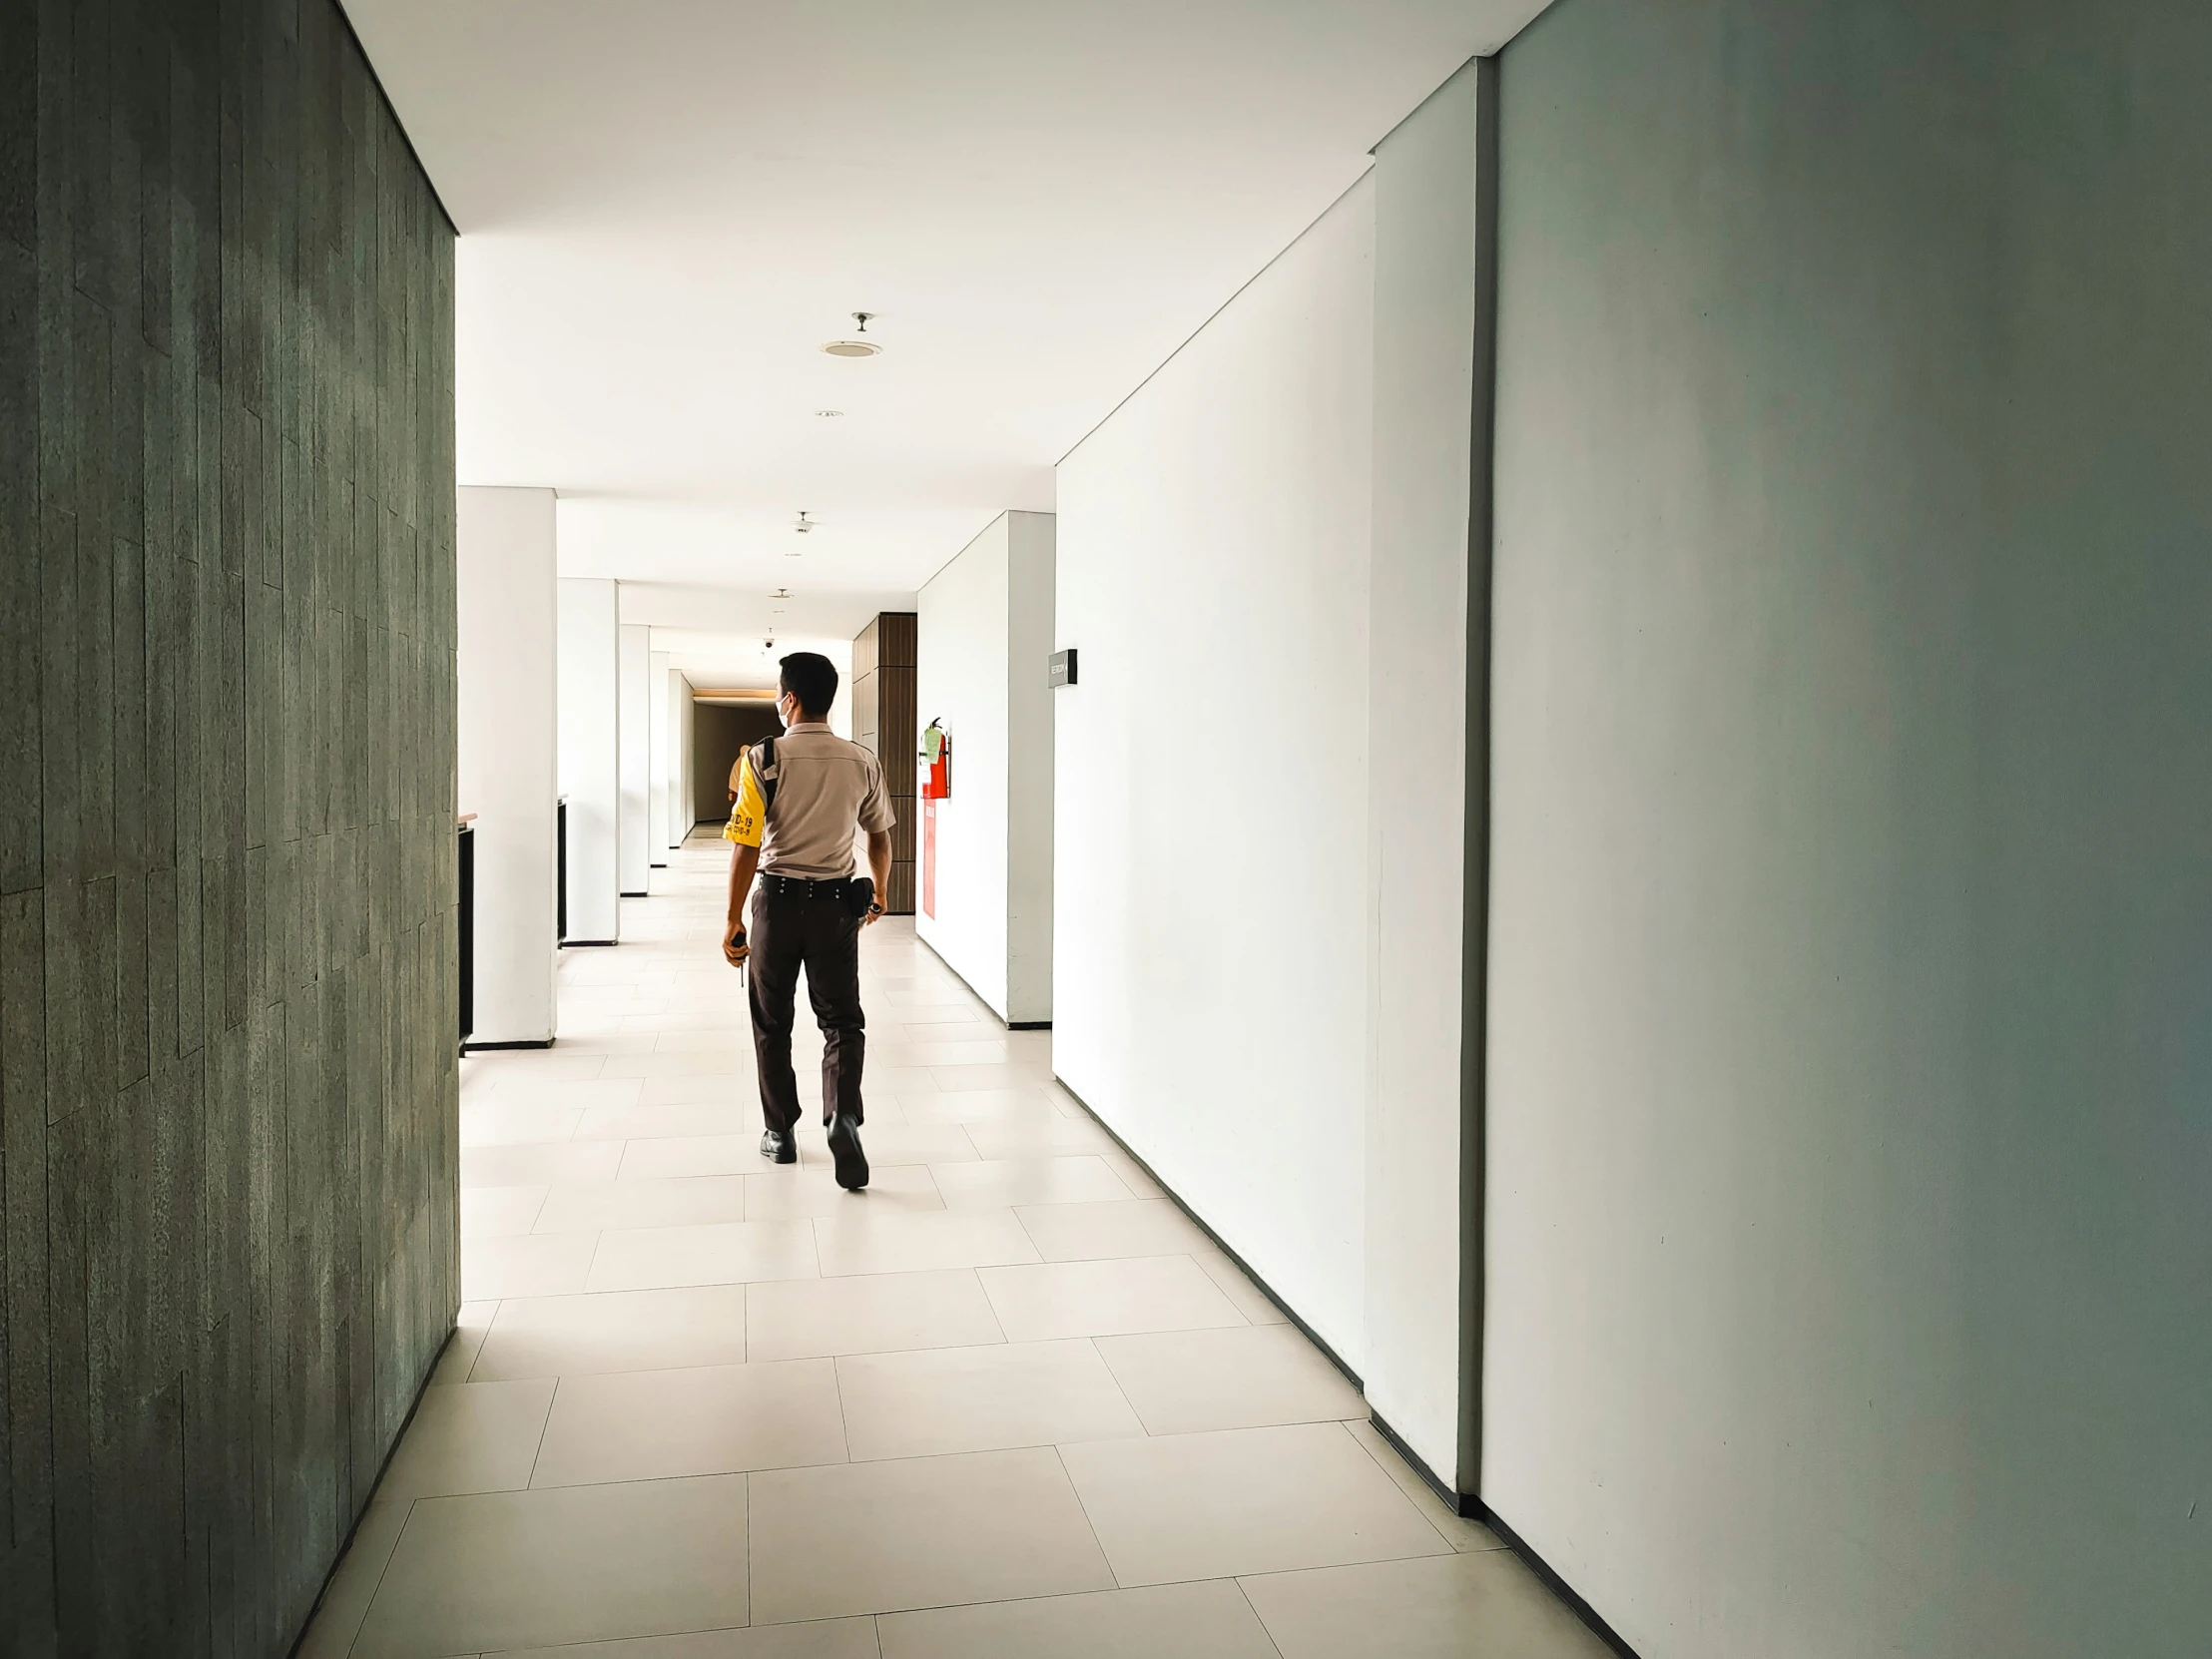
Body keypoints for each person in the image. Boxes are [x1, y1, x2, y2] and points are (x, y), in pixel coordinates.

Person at [721, 653, 895, 1190]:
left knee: (772, 1022)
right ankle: (842, 1115)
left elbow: (747, 844)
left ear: (789, 698)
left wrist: (732, 920)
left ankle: (781, 1133)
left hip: (775, 901)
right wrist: (880, 892)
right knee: (842, 1021)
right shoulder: (861, 760)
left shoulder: (763, 758)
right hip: (835, 907)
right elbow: (881, 836)